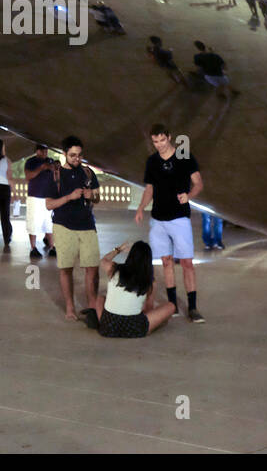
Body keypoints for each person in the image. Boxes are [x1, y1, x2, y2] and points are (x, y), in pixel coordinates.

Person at [134, 124, 205, 322]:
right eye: (155, 142)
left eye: (162, 140)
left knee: (186, 262)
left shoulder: (185, 157)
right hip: (158, 218)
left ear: (169, 137)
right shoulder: (152, 161)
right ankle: (172, 304)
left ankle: (192, 307)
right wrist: (141, 208)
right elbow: (149, 188)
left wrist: (189, 196)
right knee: (166, 261)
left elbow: (198, 183)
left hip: (179, 217)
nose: (159, 145)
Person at [46, 135, 101, 321]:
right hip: (63, 226)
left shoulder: (87, 173)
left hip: (87, 225)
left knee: (92, 267)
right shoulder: (55, 175)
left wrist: (90, 195)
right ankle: (70, 307)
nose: (77, 159)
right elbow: (49, 205)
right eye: (72, 155)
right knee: (66, 268)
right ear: (64, 154)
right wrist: (69, 197)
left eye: (79, 155)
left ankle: (92, 306)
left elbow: (98, 197)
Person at [82, 241, 177, 337]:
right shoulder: (150, 282)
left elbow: (103, 260)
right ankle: (151, 326)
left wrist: (118, 249)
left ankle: (101, 322)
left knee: (100, 298)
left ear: (131, 256)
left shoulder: (114, 269)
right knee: (171, 306)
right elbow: (149, 309)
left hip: (108, 327)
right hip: (135, 328)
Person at [23, 143, 56, 260]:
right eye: (43, 151)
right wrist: (41, 168)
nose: (45, 153)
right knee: (33, 222)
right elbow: (28, 176)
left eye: (46, 151)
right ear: (37, 151)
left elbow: (56, 175)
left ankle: (53, 246)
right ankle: (33, 248)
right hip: (35, 197)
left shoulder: (50, 161)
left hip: (48, 197)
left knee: (49, 222)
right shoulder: (31, 162)